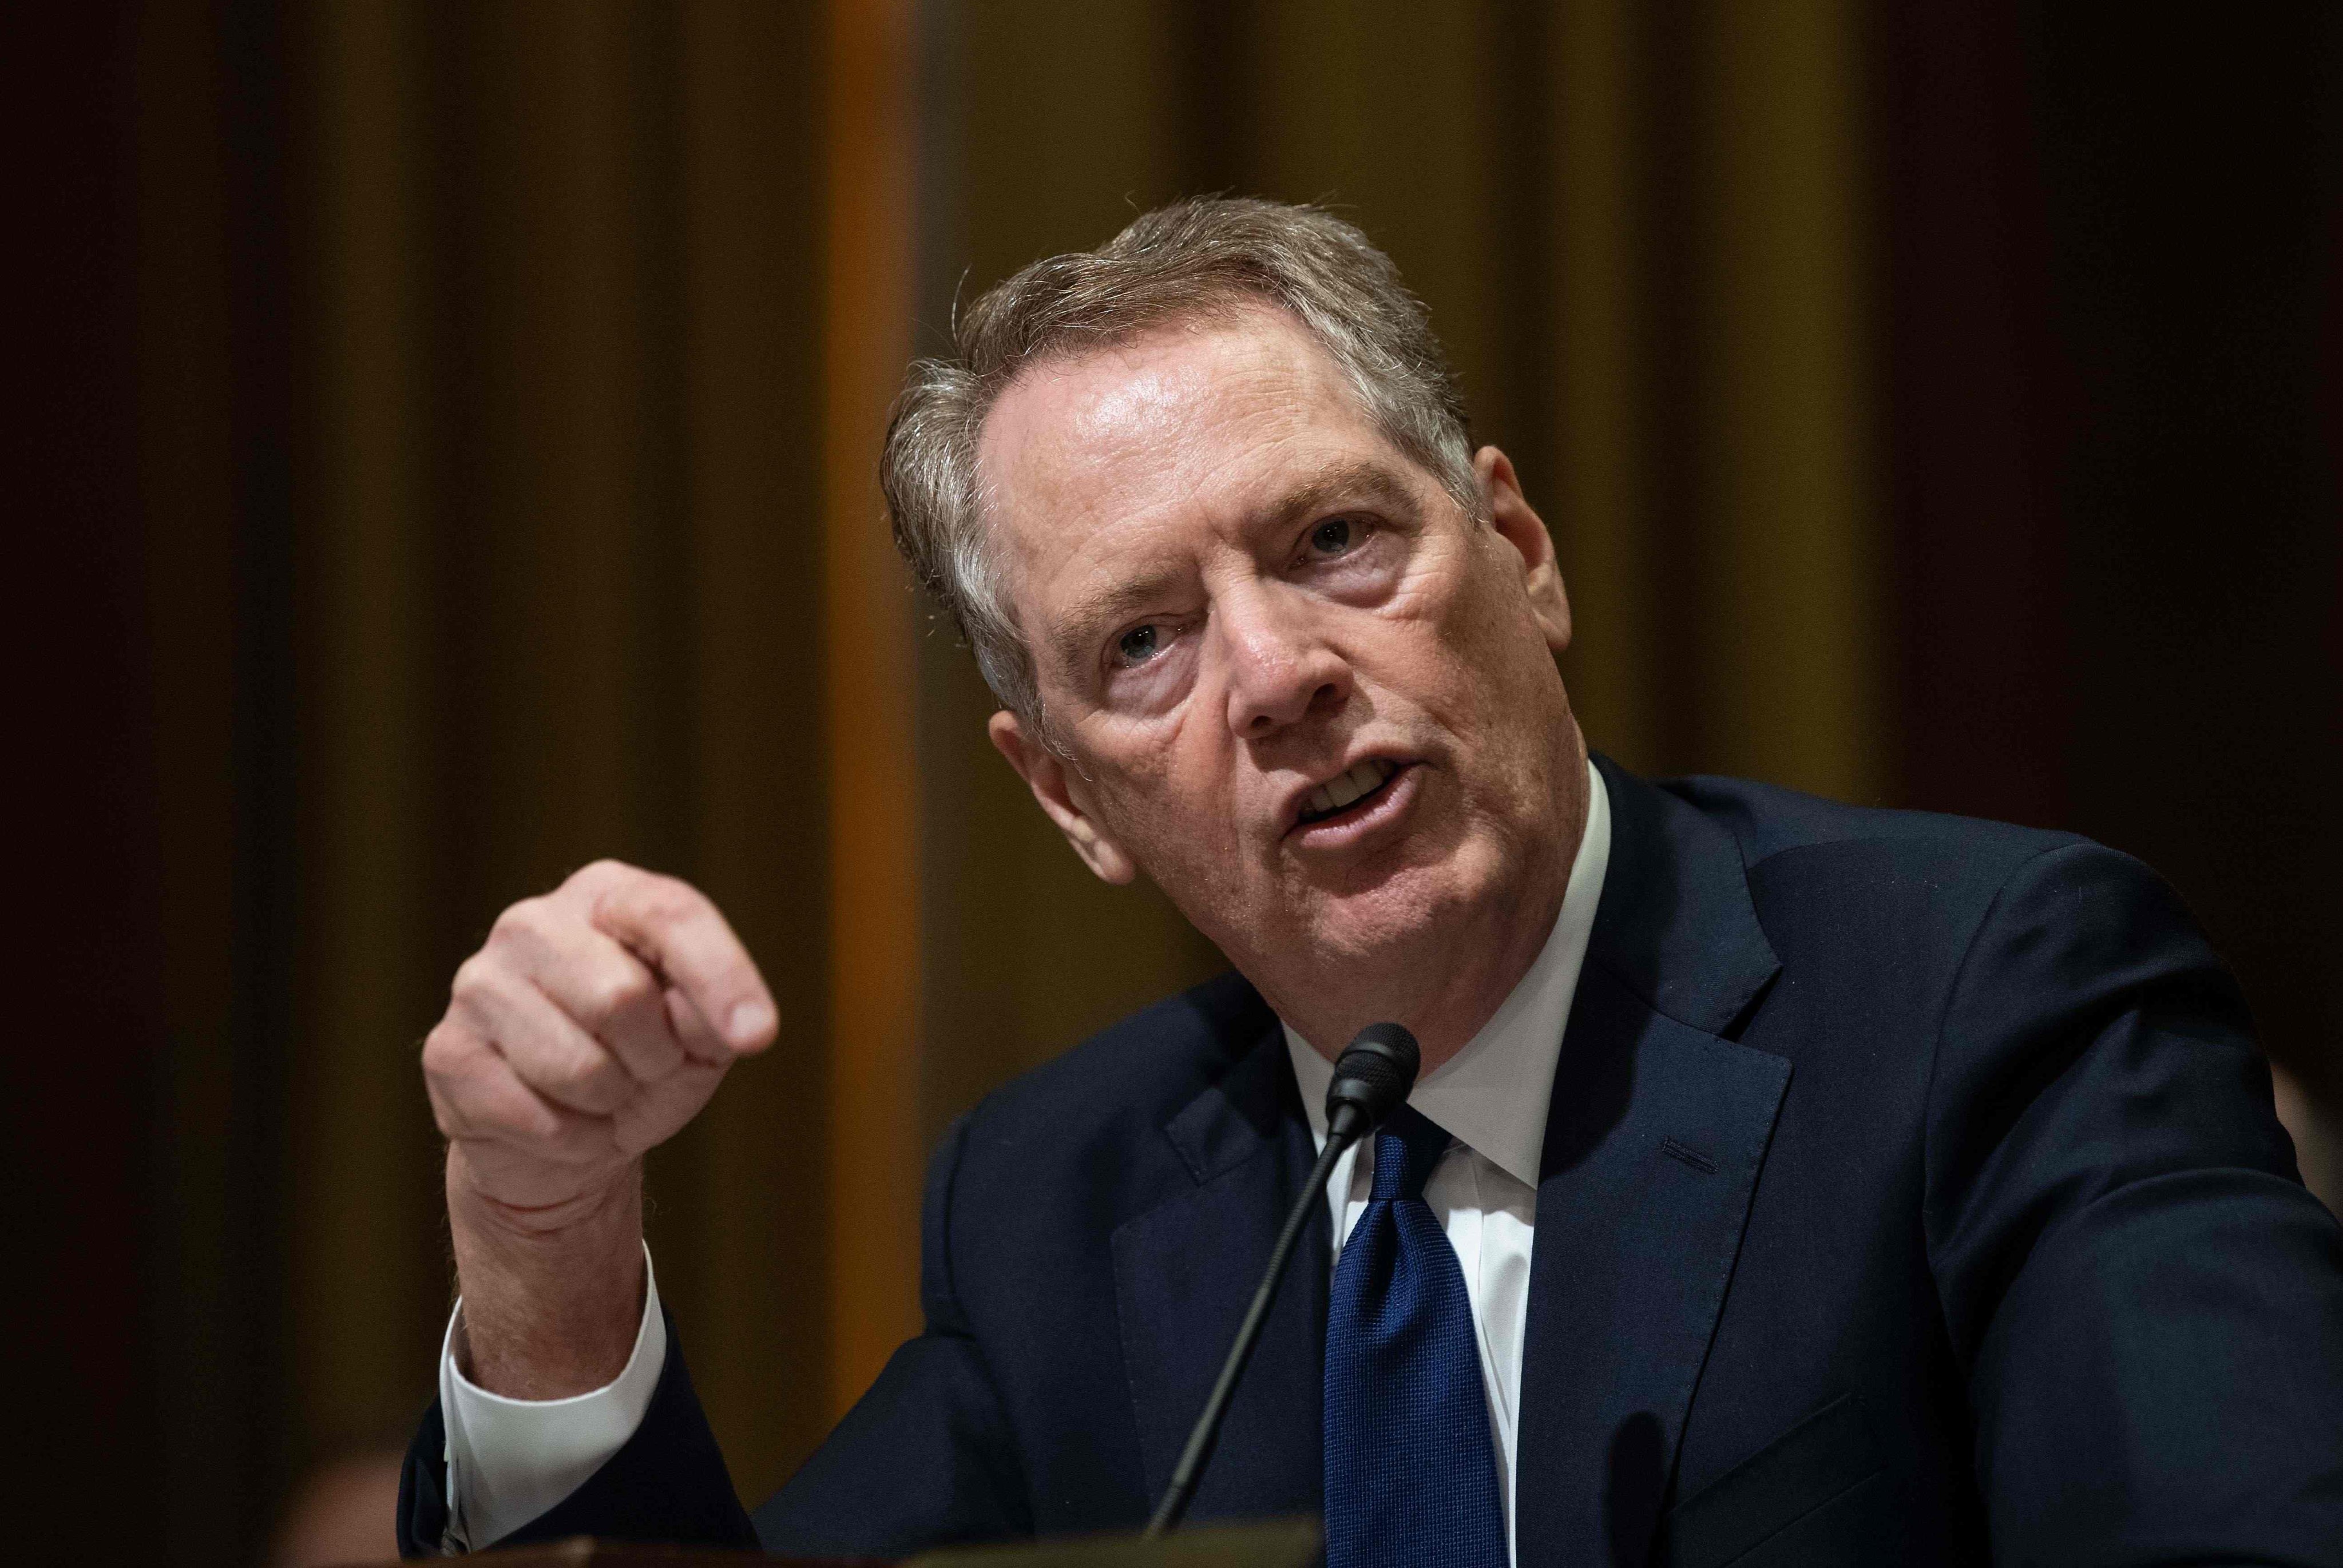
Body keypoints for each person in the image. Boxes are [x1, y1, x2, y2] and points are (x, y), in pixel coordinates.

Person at [397, 199, 2343, 1566]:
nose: (1277, 676)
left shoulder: (1989, 998)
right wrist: (541, 1244)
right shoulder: (1064, 1204)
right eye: (1142, 640)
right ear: (1068, 796)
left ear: (1522, 550)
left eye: (1335, 538)